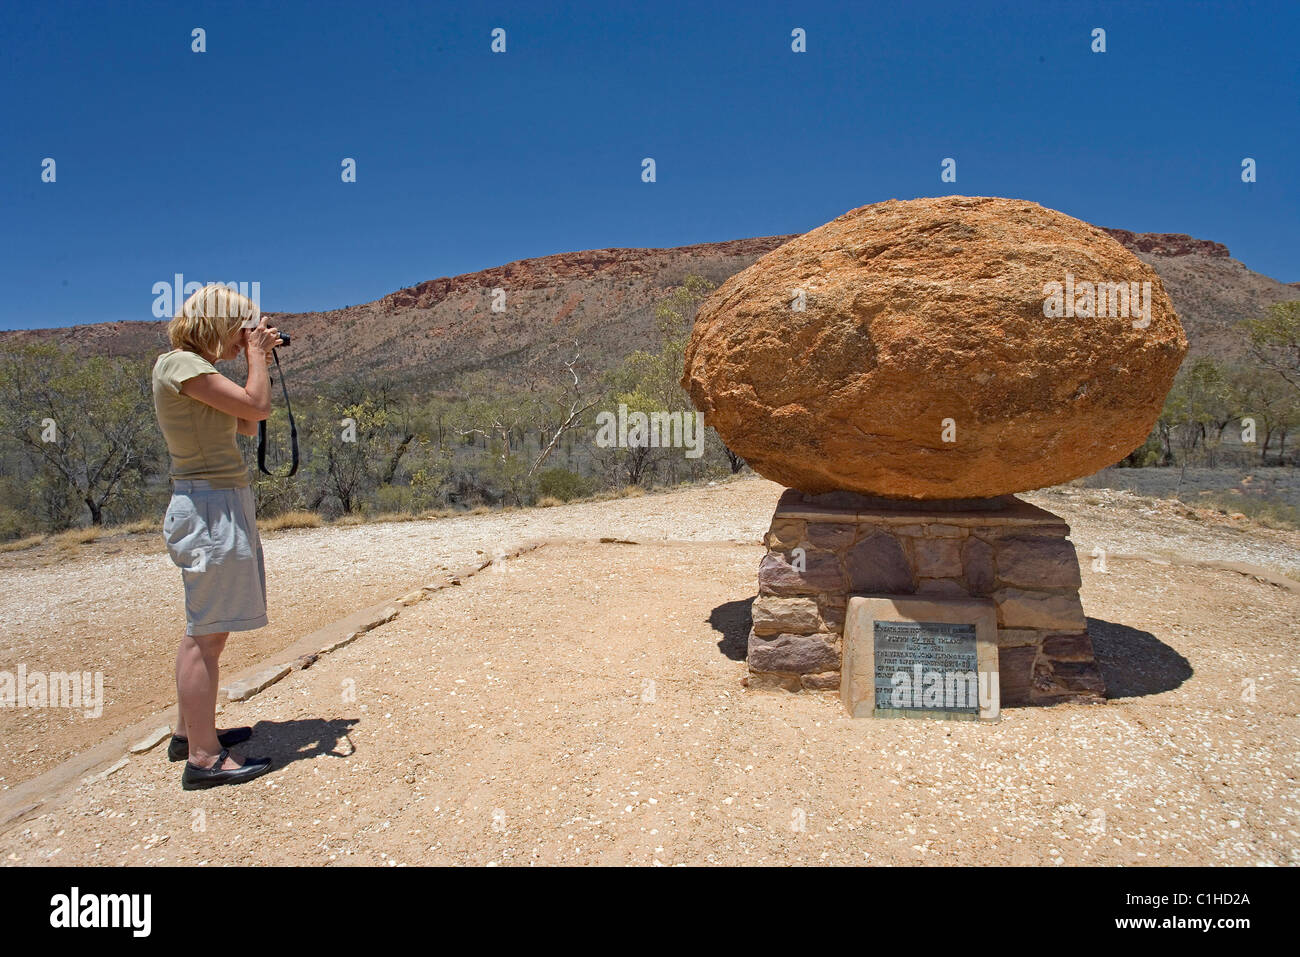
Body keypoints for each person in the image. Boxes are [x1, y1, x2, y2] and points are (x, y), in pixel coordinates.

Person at [151, 283, 281, 790]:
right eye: (240, 325)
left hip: (218, 500)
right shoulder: (180, 365)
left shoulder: (196, 373)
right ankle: (203, 759)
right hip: (208, 505)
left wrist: (250, 360)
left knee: (209, 629)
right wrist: (255, 357)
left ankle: (190, 733)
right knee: (205, 636)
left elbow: (247, 422)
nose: (245, 334)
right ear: (217, 323)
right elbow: (259, 407)